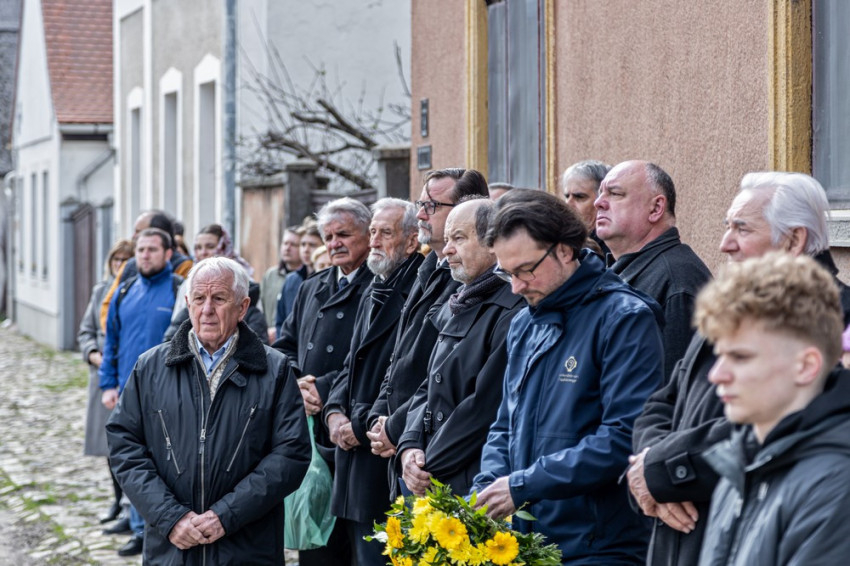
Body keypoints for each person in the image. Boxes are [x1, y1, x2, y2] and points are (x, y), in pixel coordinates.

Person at [628, 170, 850, 566]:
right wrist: (647, 466)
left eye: (741, 229)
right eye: (727, 226)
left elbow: (779, 427)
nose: (724, 243)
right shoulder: (737, 308)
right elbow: (663, 401)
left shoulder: (836, 321)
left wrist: (661, 470)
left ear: (794, 240)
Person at [471, 188, 664, 564]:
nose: (517, 287)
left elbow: (624, 436)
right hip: (527, 542)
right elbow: (505, 425)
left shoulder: (625, 317)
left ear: (564, 250)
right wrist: (488, 486)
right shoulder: (523, 323)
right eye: (507, 273)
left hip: (599, 546)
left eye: (526, 270)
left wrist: (522, 485)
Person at [106, 257, 311, 563]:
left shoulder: (274, 369)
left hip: (247, 549)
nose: (207, 310)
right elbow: (124, 445)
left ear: (242, 307)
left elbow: (291, 454)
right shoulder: (150, 367)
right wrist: (170, 517)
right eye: (199, 299)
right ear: (187, 304)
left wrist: (225, 516)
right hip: (172, 549)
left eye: (219, 299)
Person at [693, 252, 850, 565]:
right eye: (719, 355)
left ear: (805, 366)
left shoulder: (836, 485)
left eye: (740, 357)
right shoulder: (740, 462)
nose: (716, 375)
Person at [366, 169, 490, 497]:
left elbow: (441, 376)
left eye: (432, 206)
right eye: (420, 204)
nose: (420, 215)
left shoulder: (467, 280)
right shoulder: (429, 269)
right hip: (408, 442)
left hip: (435, 453)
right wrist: (380, 417)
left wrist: (397, 428)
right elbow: (399, 358)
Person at [396, 198, 523, 497]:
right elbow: (429, 384)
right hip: (436, 474)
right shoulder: (460, 300)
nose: (447, 249)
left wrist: (427, 465)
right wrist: (410, 445)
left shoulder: (513, 308)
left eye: (459, 238)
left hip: (474, 480)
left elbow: (483, 407)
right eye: (448, 239)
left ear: (492, 243)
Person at [273, 197, 373, 566]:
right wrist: (297, 384)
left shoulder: (380, 287)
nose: (334, 243)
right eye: (328, 237)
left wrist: (324, 388)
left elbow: (374, 359)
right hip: (312, 431)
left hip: (354, 429)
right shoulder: (311, 287)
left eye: (343, 234)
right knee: (316, 549)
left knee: (357, 547)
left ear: (368, 234)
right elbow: (284, 347)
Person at [323, 198, 423, 566]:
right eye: (373, 232)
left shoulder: (417, 288)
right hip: (352, 450)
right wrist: (334, 411)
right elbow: (351, 362)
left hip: (382, 448)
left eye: (386, 233)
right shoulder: (376, 286)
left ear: (411, 241)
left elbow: (406, 374)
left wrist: (359, 424)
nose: (375, 241)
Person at [99, 228, 184, 556]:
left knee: (163, 463)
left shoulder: (178, 289)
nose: (145, 255)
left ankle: (159, 526)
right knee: (133, 460)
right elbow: (112, 342)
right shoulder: (124, 291)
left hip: (167, 393)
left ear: (168, 253)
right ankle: (138, 529)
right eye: (141, 250)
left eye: (152, 249)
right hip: (127, 392)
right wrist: (108, 384)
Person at [595, 160, 711, 380]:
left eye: (615, 194)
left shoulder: (677, 281)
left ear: (656, 208)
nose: (598, 202)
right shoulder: (615, 274)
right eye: (600, 193)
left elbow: (672, 390)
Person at [77, 238, 134, 524]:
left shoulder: (134, 291)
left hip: (128, 372)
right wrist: (93, 354)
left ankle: (129, 506)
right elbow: (86, 331)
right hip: (103, 375)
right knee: (109, 444)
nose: (119, 265)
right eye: (116, 260)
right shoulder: (101, 291)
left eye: (125, 260)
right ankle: (116, 499)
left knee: (129, 444)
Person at [163, 223, 267, 344]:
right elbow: (176, 328)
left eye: (210, 246)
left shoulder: (245, 283)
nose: (203, 252)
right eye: (198, 247)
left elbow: (257, 331)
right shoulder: (187, 284)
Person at [99, 210, 193, 330]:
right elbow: (108, 306)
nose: (134, 236)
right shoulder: (128, 267)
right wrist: (114, 333)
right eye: (141, 250)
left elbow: (183, 316)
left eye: (139, 231)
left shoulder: (183, 268)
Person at [275, 222, 323, 338]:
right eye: (303, 244)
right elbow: (280, 321)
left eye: (312, 245)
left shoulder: (327, 279)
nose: (306, 250)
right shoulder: (291, 280)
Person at [561, 159, 611, 255]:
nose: (568, 204)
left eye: (579, 197)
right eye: (567, 196)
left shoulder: (615, 245)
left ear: (601, 200)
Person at [261, 227, 302, 342]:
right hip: (269, 339)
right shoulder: (270, 275)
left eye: (293, 245)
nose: (287, 248)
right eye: (285, 243)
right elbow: (261, 307)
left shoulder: (306, 278)